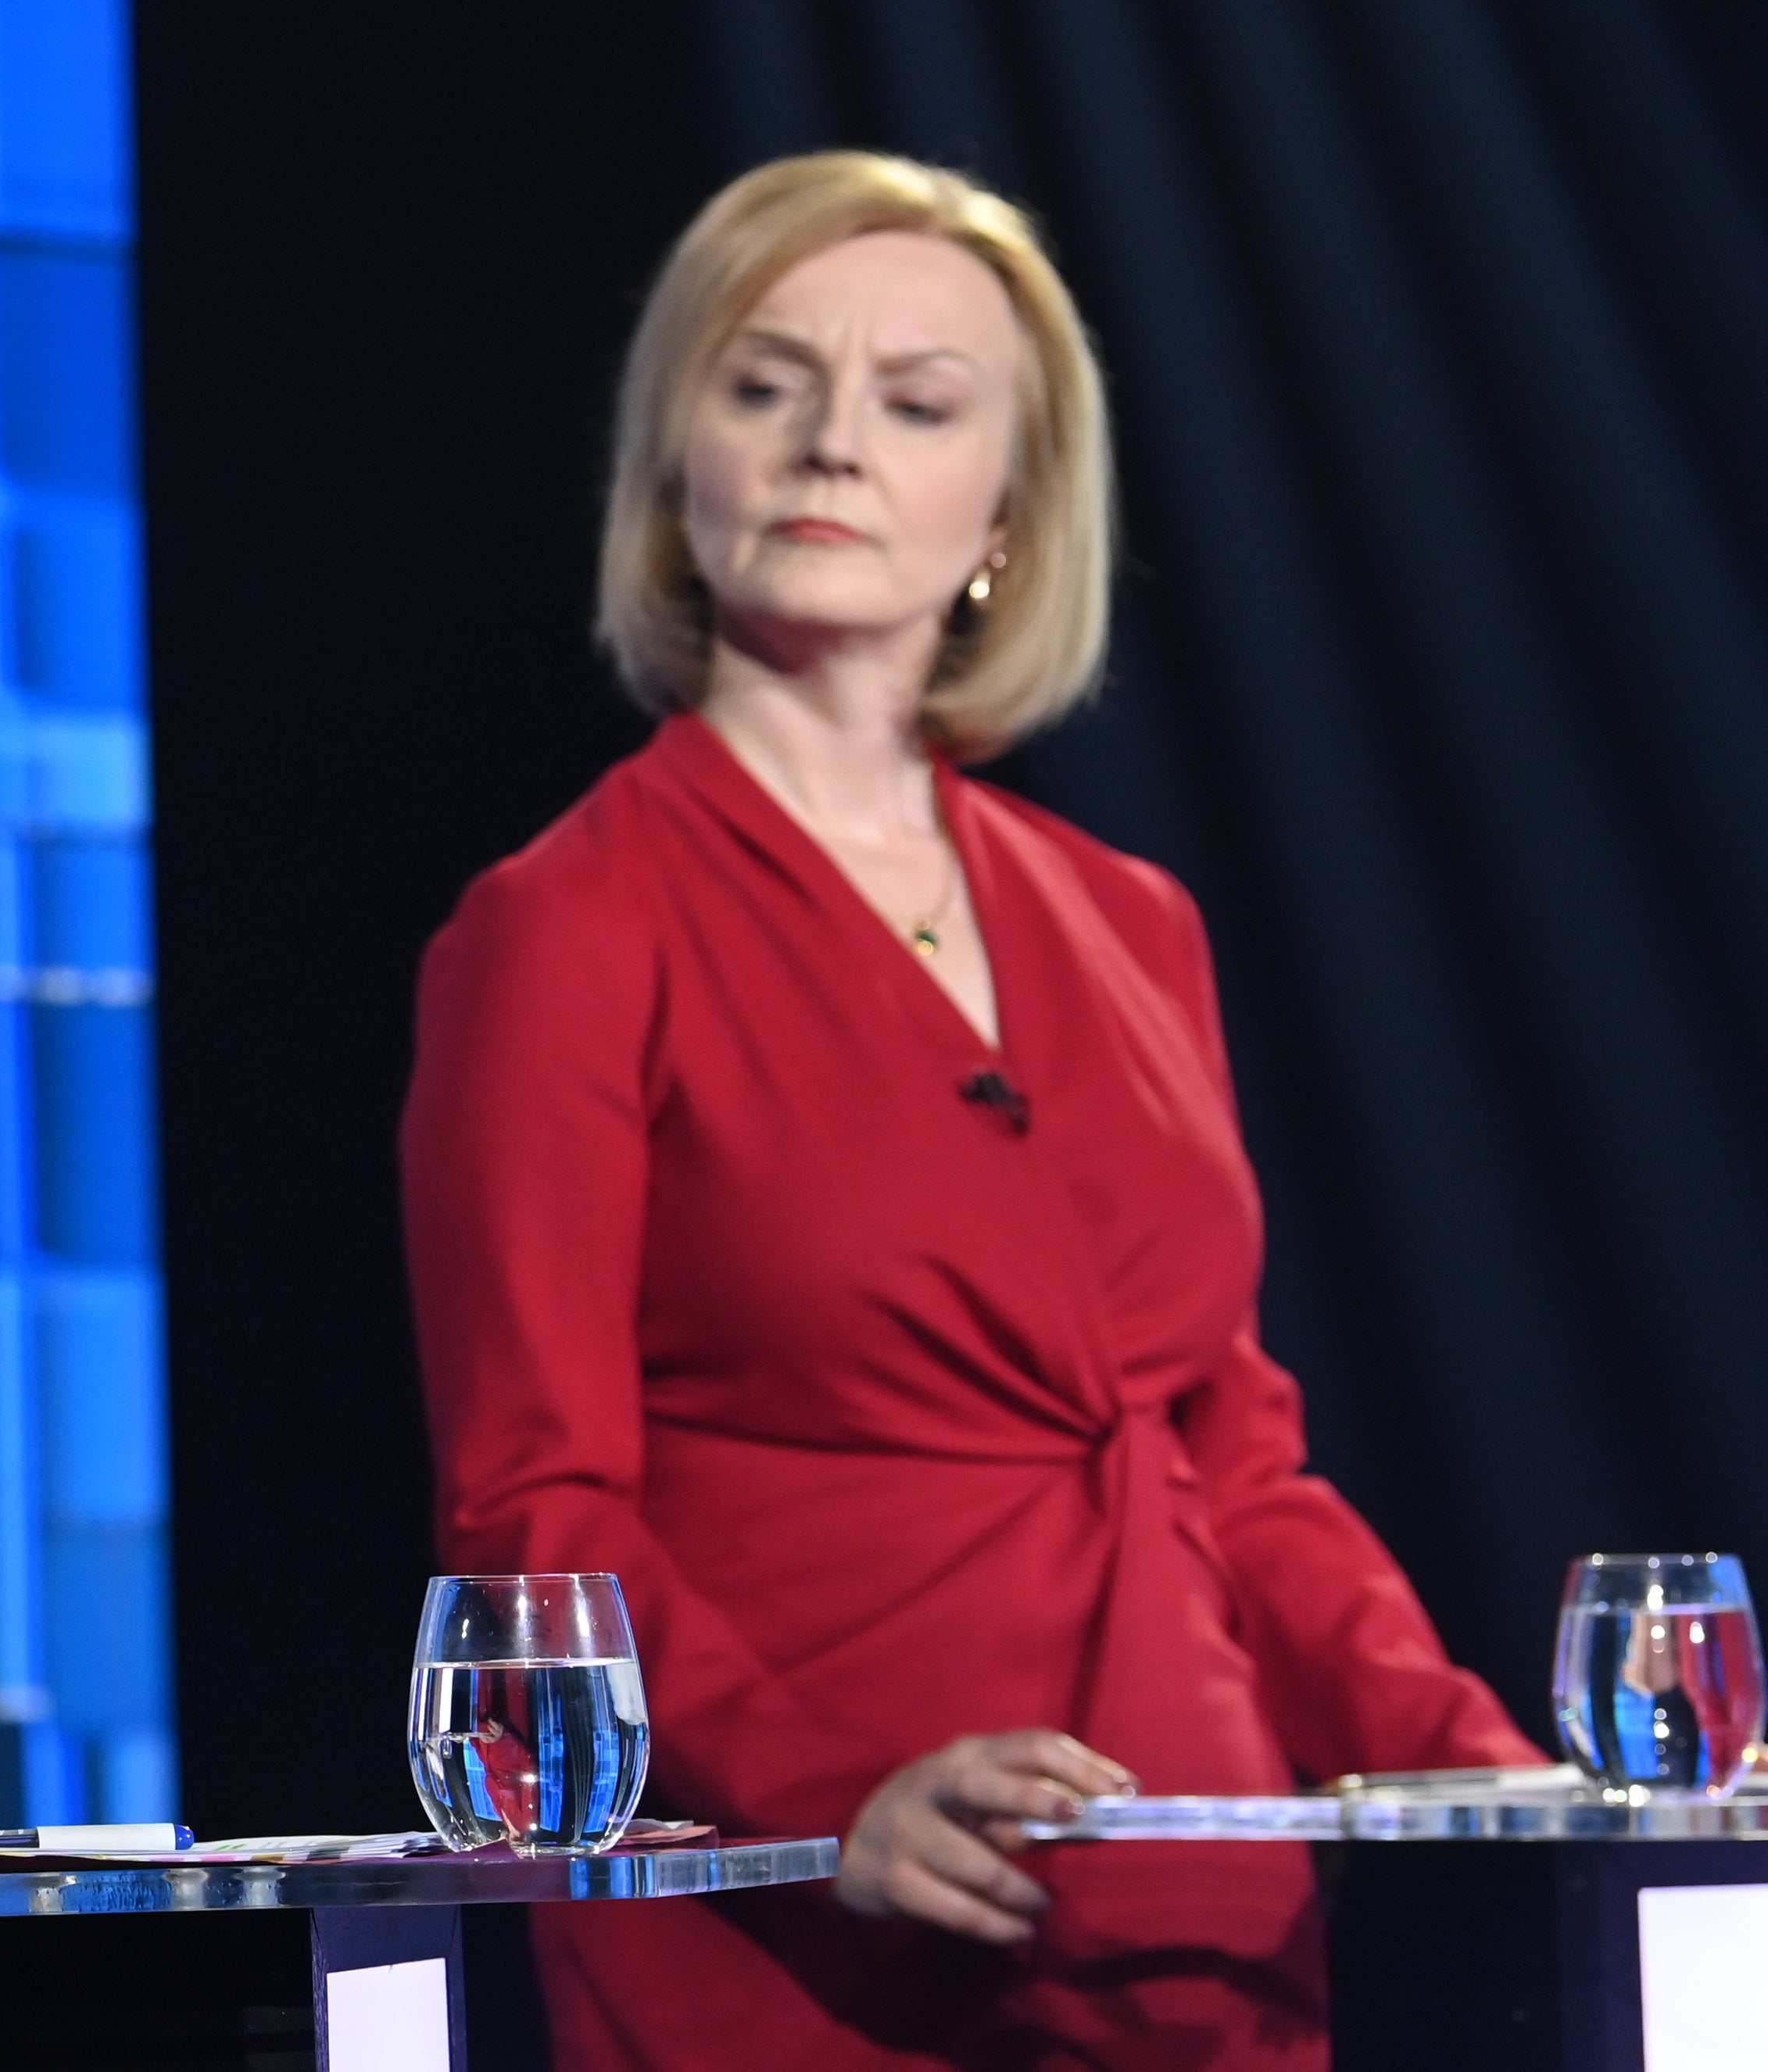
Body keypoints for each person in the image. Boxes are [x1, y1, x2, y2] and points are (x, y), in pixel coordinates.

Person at [400, 152, 1537, 2071]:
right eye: (765, 385)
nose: (831, 445)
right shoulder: (564, 927)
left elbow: (1230, 1463)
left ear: (1006, 510)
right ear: (679, 453)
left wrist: (1500, 1781)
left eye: (916, 404)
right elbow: (530, 1512)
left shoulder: (1131, 923)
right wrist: (831, 1793)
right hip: (809, 1916)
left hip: (1186, 1900)